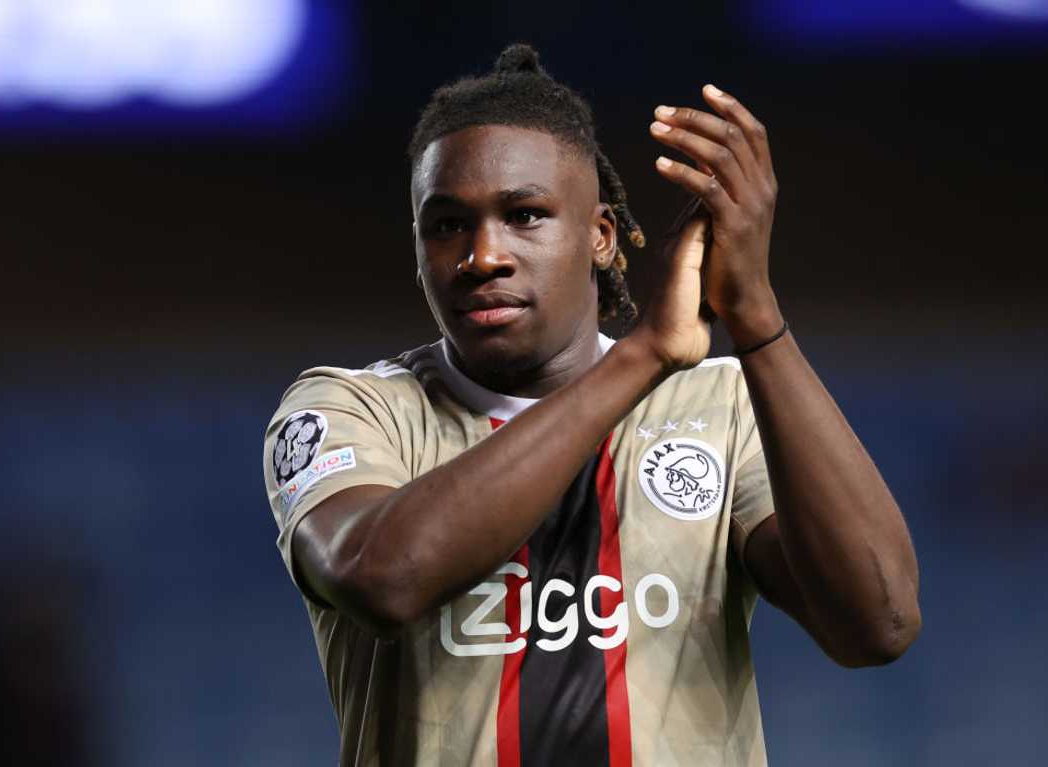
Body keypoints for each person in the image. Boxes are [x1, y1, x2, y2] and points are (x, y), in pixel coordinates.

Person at [262, 44, 920, 767]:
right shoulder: (348, 408)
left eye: (525, 214)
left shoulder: (718, 403)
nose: (483, 255)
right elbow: (385, 578)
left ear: (600, 236)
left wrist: (756, 314)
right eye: (447, 224)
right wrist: (644, 355)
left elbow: (877, 623)